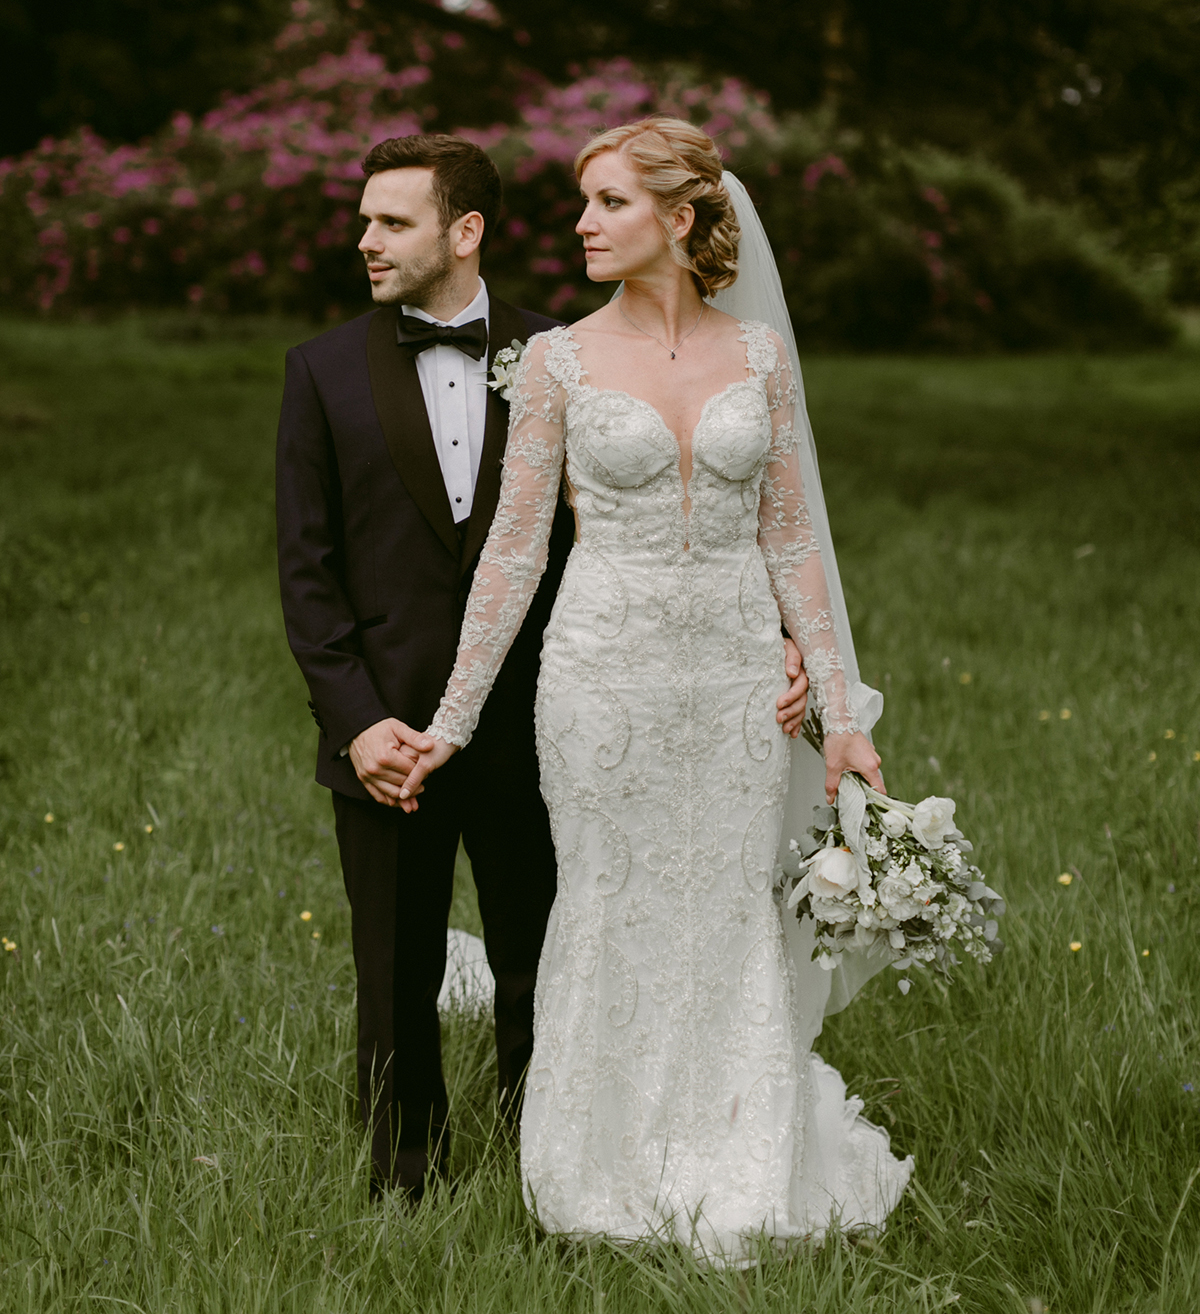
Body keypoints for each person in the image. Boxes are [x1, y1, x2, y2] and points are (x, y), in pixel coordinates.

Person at [395, 117, 913, 1257]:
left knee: (725, 910)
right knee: (612, 902)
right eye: (582, 203)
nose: (581, 224)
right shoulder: (557, 362)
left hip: (734, 678)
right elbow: (515, 553)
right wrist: (452, 720)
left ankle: (739, 1155)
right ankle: (603, 1166)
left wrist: (837, 715)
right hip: (603, 679)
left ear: (680, 219)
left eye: (610, 202)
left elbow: (793, 544)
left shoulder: (762, 359)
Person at [275, 129, 817, 1203]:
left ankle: (555, 1160)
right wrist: (359, 719)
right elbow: (308, 569)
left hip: (553, 706)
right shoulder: (322, 371)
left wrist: (784, 640)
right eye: (364, 219)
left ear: (463, 231)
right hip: (388, 719)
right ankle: (402, 1182)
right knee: (393, 968)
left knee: (546, 949)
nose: (364, 240)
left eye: (392, 220)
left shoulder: (557, 347)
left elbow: (670, 520)